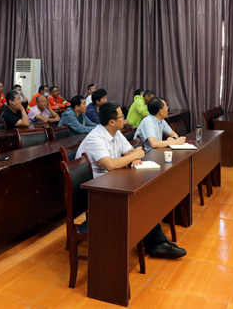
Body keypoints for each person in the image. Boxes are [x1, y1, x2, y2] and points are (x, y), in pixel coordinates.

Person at [76, 102, 186, 259]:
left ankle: (156, 242)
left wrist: (134, 156)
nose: (125, 119)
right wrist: (133, 156)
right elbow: (110, 164)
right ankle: (157, 243)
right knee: (141, 201)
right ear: (112, 121)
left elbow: (133, 151)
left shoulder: (116, 133)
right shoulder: (96, 138)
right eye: (122, 116)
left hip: (111, 182)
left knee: (146, 196)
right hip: (96, 192)